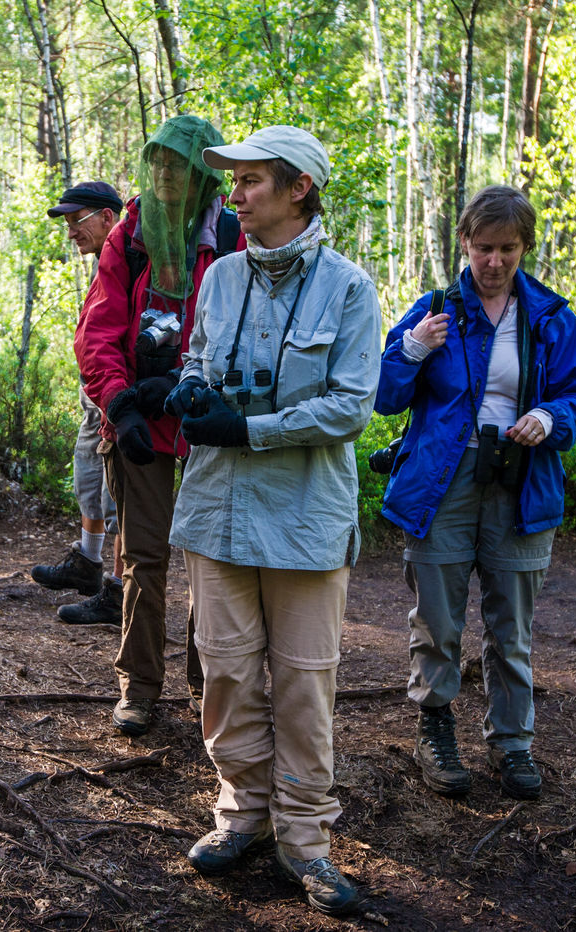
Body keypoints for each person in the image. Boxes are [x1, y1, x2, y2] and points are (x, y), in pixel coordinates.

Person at [166, 126, 379, 917]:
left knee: (303, 683)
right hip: (219, 510)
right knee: (224, 669)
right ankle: (240, 817)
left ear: (298, 189)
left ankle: (306, 843)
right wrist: (191, 391)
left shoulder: (350, 288)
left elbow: (352, 406)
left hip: (305, 518)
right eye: (234, 182)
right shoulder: (219, 277)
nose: (235, 194)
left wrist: (249, 430)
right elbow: (199, 357)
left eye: (251, 180)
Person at [376, 184, 576, 802]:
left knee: (511, 626)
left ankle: (512, 742)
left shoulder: (551, 318)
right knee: (438, 619)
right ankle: (435, 730)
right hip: (441, 484)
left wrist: (550, 419)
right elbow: (385, 395)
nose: (494, 262)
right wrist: (414, 348)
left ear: (525, 246)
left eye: (507, 249)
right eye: (483, 249)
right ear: (465, 245)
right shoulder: (436, 308)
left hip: (521, 483)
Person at [74, 115, 243, 736]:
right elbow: (99, 327)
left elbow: (243, 331)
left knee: (206, 560)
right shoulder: (131, 233)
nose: (166, 173)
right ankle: (139, 688)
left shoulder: (231, 234)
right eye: (159, 161)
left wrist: (189, 387)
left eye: (179, 163)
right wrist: (118, 404)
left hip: (203, 423)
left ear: (202, 171)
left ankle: (211, 691)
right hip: (137, 426)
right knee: (143, 560)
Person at [31, 182, 128, 625]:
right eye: (67, 223)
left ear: (107, 217)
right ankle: (88, 565)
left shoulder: (131, 255)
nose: (71, 231)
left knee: (122, 500)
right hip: (95, 400)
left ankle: (119, 591)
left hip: (119, 400)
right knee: (88, 481)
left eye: (77, 220)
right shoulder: (102, 261)